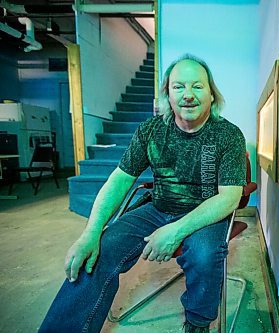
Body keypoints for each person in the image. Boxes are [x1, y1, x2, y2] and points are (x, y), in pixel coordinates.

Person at [39, 54, 247, 333]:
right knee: (99, 250)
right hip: (158, 207)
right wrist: (91, 231)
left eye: (197, 86)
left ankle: (198, 323)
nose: (188, 95)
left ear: (211, 94)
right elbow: (119, 181)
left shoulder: (228, 135)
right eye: (178, 87)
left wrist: (175, 231)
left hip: (206, 211)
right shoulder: (150, 130)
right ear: (167, 94)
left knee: (204, 254)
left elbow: (229, 197)